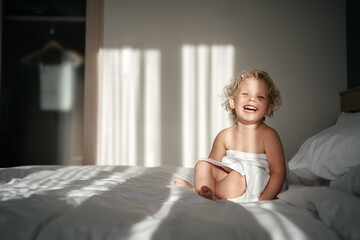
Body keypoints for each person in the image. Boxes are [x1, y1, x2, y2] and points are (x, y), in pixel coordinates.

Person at [174, 69, 286, 202]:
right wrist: (208, 174)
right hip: (230, 176)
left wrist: (263, 199)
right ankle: (205, 191)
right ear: (233, 102)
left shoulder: (268, 135)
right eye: (245, 94)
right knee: (202, 164)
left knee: (236, 178)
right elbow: (212, 166)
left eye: (260, 97)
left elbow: (278, 173)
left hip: (252, 181)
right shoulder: (225, 135)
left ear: (268, 109)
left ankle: (199, 191)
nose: (252, 99)